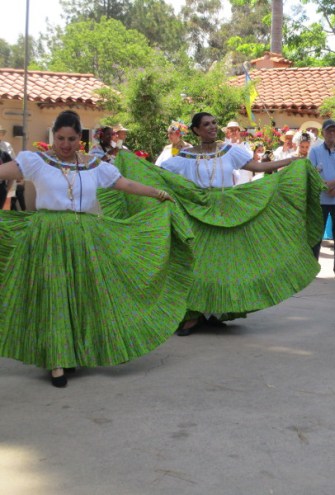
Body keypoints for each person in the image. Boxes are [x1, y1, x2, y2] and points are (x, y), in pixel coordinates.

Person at [0, 110, 190, 388]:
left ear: (80, 139)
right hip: (48, 236)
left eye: (71, 139)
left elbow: (124, 184)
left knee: (82, 295)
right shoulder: (36, 161)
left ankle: (75, 351)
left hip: (85, 237)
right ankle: (56, 361)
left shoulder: (95, 166)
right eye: (60, 138)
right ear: (54, 137)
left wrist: (157, 193)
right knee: (55, 295)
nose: (65, 144)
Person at [127, 112, 323, 336]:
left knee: (224, 263)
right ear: (196, 130)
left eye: (214, 123)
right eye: (206, 124)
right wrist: (132, 165)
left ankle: (216, 312)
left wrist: (291, 161)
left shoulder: (230, 150)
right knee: (198, 265)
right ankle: (192, 315)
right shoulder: (184, 156)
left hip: (227, 211)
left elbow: (256, 167)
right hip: (197, 212)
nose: (212, 127)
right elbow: (160, 174)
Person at [309, 119, 335, 280]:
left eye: (334, 130)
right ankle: (312, 268)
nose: (331, 133)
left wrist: (333, 184)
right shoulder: (314, 151)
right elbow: (312, 173)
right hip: (320, 199)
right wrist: (326, 187)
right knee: (316, 235)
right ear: (323, 133)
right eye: (328, 130)